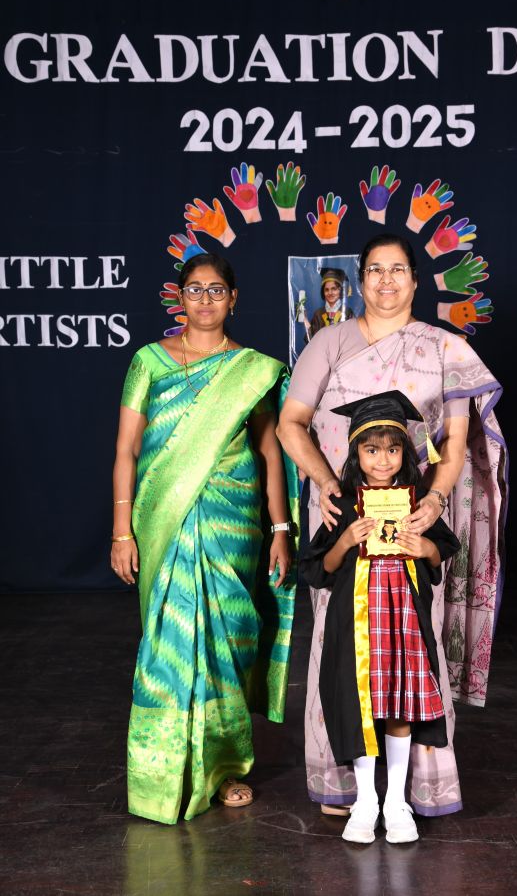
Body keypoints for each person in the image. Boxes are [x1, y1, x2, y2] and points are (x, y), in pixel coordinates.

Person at [277, 232, 507, 819]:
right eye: (375, 269)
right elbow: (290, 424)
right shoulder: (328, 342)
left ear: (415, 279)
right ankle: (343, 780)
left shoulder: (446, 348)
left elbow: (454, 443)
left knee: (414, 637)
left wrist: (434, 503)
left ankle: (420, 783)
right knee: (339, 641)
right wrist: (328, 485)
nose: (386, 280)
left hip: (413, 514)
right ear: (360, 281)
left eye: (397, 269)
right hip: (343, 514)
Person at [111, 250, 298, 825]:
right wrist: (121, 529)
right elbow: (127, 450)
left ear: (233, 299)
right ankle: (162, 769)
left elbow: (270, 452)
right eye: (195, 289)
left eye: (217, 290)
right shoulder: (149, 361)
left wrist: (281, 528)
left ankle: (226, 768)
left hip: (233, 523)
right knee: (168, 645)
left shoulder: (253, 369)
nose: (206, 300)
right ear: (179, 297)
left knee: (230, 641)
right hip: (164, 520)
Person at [300, 391, 460, 843]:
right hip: (357, 623)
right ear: (356, 453)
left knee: (400, 703)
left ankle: (396, 802)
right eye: (372, 450)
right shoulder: (343, 504)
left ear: (406, 453)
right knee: (362, 705)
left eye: (393, 449)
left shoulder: (417, 502)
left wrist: (424, 547)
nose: (383, 460)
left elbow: (441, 552)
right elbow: (320, 569)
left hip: (404, 618)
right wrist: (345, 541)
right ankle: (367, 800)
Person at [304, 268, 355, 340]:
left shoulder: (348, 313)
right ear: (323, 292)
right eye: (326, 290)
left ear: (340, 290)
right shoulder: (318, 314)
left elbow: (353, 338)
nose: (330, 293)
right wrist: (305, 320)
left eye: (334, 289)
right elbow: (311, 339)